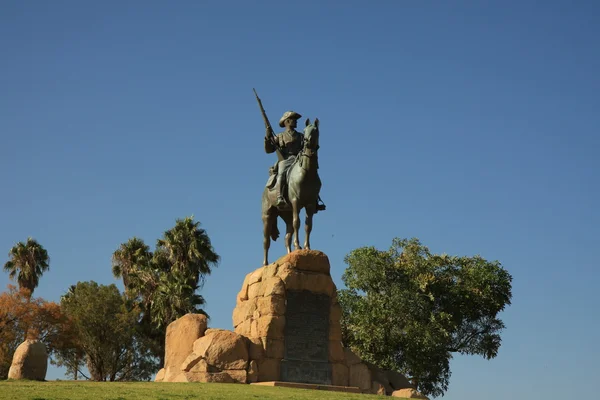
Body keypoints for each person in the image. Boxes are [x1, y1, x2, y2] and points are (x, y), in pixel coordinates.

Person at [264, 111, 304, 208]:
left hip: (298, 159)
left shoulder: (301, 136)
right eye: (293, 119)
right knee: (281, 174)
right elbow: (269, 150)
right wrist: (268, 137)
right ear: (287, 121)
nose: (296, 122)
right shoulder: (279, 136)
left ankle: (314, 199)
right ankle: (279, 196)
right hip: (285, 160)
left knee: (309, 172)